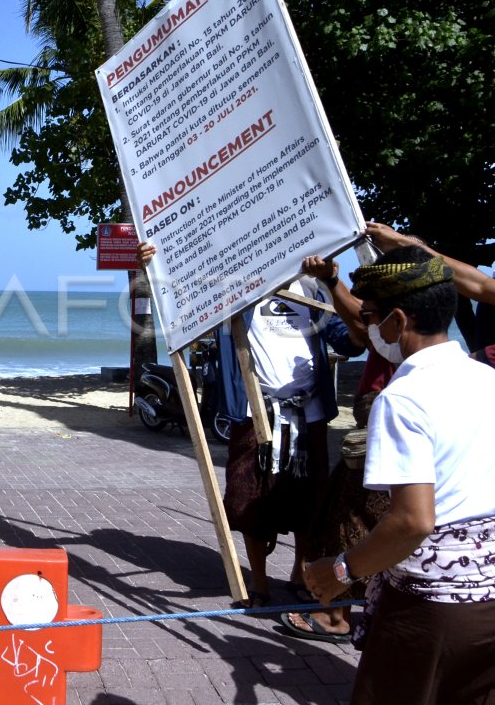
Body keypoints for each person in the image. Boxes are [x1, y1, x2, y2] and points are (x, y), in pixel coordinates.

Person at [304, 247, 495, 704]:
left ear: (397, 320)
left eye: (370, 315)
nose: (368, 326)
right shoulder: (494, 380)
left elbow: (413, 521)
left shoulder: (404, 397)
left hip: (437, 610)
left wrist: (338, 572)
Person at [366, 221, 495, 701]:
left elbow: (412, 521)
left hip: (452, 594)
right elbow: (480, 285)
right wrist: (417, 250)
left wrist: (339, 571)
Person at [137, 242, 362, 608]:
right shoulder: (232, 289)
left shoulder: (313, 287)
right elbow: (181, 309)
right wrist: (153, 267)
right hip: (254, 412)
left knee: (310, 500)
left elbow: (351, 342)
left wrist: (334, 281)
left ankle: (300, 575)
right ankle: (258, 584)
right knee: (248, 500)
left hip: (310, 415)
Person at [279, 255, 393, 644]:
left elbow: (357, 334)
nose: (366, 309)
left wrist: (329, 281)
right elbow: (354, 336)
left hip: (381, 427)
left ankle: (336, 614)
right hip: (371, 421)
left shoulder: (392, 328)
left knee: (349, 521)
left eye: (372, 305)